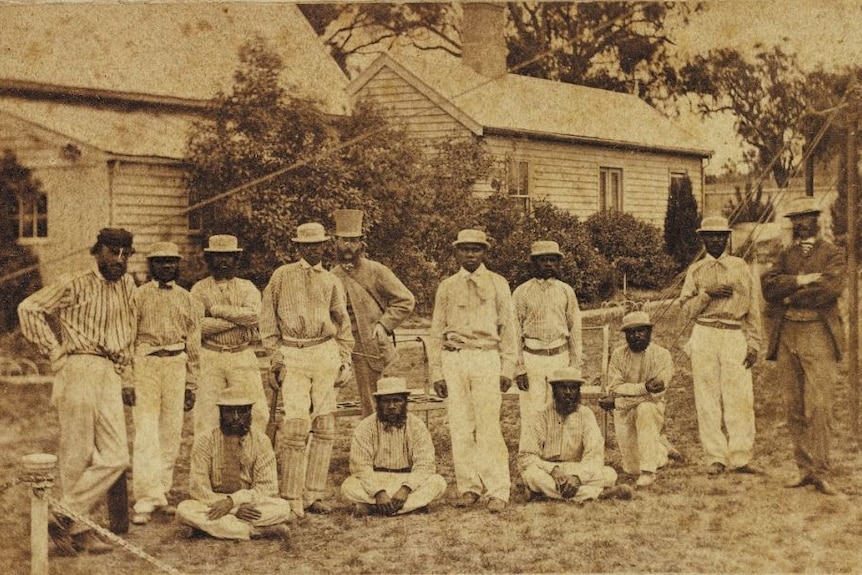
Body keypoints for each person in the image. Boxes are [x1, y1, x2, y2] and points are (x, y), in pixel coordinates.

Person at [18, 228, 138, 555]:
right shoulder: (74, 282)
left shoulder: (127, 284)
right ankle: (78, 531)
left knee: (115, 457)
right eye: (113, 252)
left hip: (109, 371)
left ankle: (61, 514)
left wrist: (126, 370)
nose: (119, 260)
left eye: (126, 254)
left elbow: (127, 330)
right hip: (79, 367)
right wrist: (54, 353)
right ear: (96, 251)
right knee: (77, 454)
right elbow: (29, 309)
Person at [259, 222, 354, 518]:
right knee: (296, 426)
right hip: (293, 353)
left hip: (324, 352)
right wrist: (275, 358)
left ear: (325, 246)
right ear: (298, 247)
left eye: (318, 245)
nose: (312, 250)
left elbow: (342, 322)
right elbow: (267, 321)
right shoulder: (282, 276)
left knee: (324, 427)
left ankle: (314, 494)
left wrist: (344, 358)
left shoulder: (331, 280)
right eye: (306, 245)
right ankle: (291, 497)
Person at [428, 229, 517, 513]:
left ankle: (497, 489)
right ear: (456, 252)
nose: (470, 254)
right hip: (455, 359)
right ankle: (469, 486)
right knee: (460, 426)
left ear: (484, 253)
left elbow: (509, 328)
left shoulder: (498, 284)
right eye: (464, 249)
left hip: (485, 357)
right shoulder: (447, 286)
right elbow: (436, 331)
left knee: (488, 425)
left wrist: (507, 367)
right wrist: (437, 372)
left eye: (475, 249)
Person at [761, 196, 845, 496]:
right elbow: (768, 286)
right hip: (788, 336)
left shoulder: (834, 254)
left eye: (805, 217)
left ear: (816, 218)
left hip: (818, 333)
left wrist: (789, 293)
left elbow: (827, 291)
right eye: (795, 219)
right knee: (793, 405)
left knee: (819, 406)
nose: (799, 223)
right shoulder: (786, 255)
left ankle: (821, 470)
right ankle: (804, 469)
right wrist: (800, 280)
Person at [678, 216, 762, 476]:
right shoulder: (696, 271)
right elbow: (685, 312)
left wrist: (754, 343)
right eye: (709, 236)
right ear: (702, 239)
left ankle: (740, 456)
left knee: (739, 396)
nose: (715, 240)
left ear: (727, 238)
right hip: (704, 333)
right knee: (707, 396)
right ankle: (715, 456)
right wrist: (706, 294)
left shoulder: (740, 266)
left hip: (733, 334)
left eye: (720, 236)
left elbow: (752, 308)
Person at [130, 241, 203, 525]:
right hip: (146, 363)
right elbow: (129, 337)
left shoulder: (186, 298)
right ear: (151, 267)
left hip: (176, 364)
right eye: (160, 262)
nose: (166, 266)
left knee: (171, 431)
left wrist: (192, 383)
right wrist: (128, 377)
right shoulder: (138, 296)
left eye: (171, 261)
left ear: (177, 265)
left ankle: (162, 492)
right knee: (147, 429)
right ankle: (145, 498)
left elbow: (193, 344)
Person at [176, 386, 291, 542]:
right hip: (214, 503)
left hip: (248, 504)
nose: (236, 418)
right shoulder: (204, 441)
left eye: (242, 411)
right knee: (185, 509)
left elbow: (267, 487)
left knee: (282, 507)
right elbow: (199, 490)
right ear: (221, 413)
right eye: (229, 412)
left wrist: (233, 503)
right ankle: (255, 531)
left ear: (250, 412)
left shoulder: (261, 441)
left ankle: (209, 528)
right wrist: (234, 510)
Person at [330, 209, 416, 417]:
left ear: (362, 243)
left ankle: (379, 442)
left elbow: (406, 300)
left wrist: (383, 325)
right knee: (326, 401)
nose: (348, 246)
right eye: (344, 241)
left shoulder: (376, 271)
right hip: (339, 347)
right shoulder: (331, 276)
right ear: (336, 243)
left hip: (370, 345)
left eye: (353, 241)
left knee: (375, 403)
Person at [190, 235, 268, 438]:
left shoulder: (247, 287)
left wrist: (215, 310)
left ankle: (250, 458)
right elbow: (196, 327)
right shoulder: (199, 290)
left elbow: (254, 317)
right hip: (210, 355)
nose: (223, 261)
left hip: (242, 354)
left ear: (236, 259)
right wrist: (236, 319)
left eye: (228, 257)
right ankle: (208, 461)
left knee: (256, 412)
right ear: (209, 260)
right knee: (206, 414)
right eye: (218, 256)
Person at [520, 367, 632, 502]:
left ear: (578, 390)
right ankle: (597, 495)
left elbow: (594, 454)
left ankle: (545, 493)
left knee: (610, 474)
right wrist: (553, 470)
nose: (568, 393)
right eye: (563, 387)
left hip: (578, 468)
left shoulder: (586, 414)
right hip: (548, 471)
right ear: (554, 389)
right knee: (532, 475)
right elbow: (526, 457)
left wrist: (577, 477)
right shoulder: (539, 415)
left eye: (573, 388)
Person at [340, 376, 447, 516]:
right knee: (348, 486)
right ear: (378, 403)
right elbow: (360, 466)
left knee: (438, 482)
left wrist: (405, 489)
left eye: (397, 400)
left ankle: (371, 509)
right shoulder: (365, 427)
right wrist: (378, 492)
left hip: (407, 481)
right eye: (386, 401)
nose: (391, 406)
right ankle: (411, 507)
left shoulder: (417, 426)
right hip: (376, 479)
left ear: (405, 402)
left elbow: (425, 464)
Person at [598, 311, 680, 488]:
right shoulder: (619, 355)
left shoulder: (662, 355)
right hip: (624, 412)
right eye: (630, 332)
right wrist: (642, 388)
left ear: (649, 332)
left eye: (640, 331)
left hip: (650, 410)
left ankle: (649, 472)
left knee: (645, 408)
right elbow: (615, 388)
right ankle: (661, 447)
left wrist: (618, 401)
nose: (636, 336)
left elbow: (655, 395)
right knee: (631, 468)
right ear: (626, 335)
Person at [512, 240, 582, 442]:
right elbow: (514, 331)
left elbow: (574, 327)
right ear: (533, 263)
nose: (548, 264)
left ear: (558, 263)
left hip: (560, 355)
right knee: (531, 408)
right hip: (532, 356)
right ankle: (531, 450)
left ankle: (556, 448)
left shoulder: (565, 291)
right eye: (543, 260)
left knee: (559, 405)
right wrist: (520, 368)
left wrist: (575, 364)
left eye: (553, 260)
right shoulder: (521, 292)